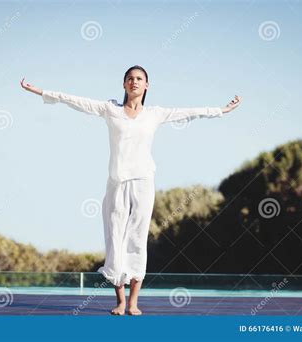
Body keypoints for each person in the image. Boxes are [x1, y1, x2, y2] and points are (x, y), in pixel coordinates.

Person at [20, 65, 241, 315]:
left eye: (139, 79)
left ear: (146, 85)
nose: (134, 82)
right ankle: (120, 301)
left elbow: (188, 112)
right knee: (115, 237)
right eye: (130, 79)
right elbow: (76, 101)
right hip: (117, 182)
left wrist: (221, 110)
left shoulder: (155, 114)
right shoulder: (110, 109)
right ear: (124, 84)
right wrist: (41, 92)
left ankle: (134, 301)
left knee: (137, 238)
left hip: (143, 181)